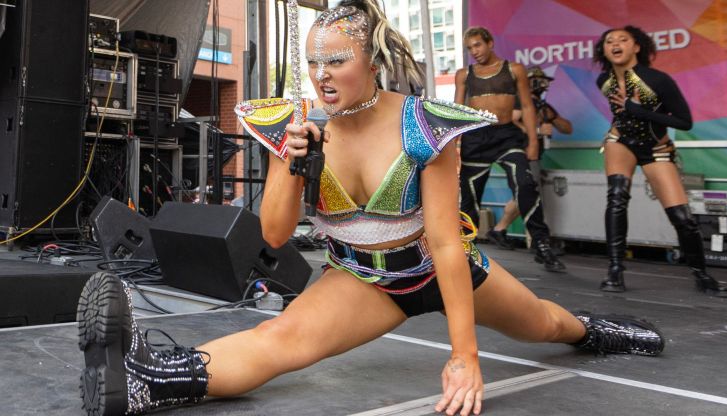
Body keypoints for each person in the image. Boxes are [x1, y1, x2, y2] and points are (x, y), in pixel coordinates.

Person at [76, 4, 666, 416]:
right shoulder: (300, 127)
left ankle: (595, 331)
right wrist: (289, 157)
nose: (322, 75)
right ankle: (144, 380)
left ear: (373, 59)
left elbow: (443, 243)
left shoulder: (424, 125)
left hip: (440, 267)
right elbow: (277, 235)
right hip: (362, 277)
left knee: (545, 323)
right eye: (313, 62)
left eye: (336, 60)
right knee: (282, 339)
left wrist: (465, 357)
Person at [593, 25, 727, 297]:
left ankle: (702, 275)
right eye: (609, 41)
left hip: (656, 148)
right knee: (617, 196)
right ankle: (614, 271)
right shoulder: (604, 81)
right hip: (619, 141)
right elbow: (620, 115)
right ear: (604, 50)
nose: (615, 44)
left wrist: (638, 110)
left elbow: (684, 121)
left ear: (637, 46)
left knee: (682, 216)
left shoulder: (658, 80)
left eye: (623, 39)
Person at [455, 27, 565, 272]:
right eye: (470, 48)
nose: (475, 52)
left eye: (478, 45)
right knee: (469, 199)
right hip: (475, 138)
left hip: (507, 137)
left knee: (525, 185)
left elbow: (526, 106)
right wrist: (456, 145)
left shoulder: (514, 70)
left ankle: (542, 244)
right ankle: (464, 252)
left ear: (490, 43)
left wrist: (533, 142)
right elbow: (458, 111)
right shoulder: (464, 74)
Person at [487, 66, 573, 250]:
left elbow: (567, 128)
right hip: (522, 153)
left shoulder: (541, 106)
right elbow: (507, 120)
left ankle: (499, 230)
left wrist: (552, 119)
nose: (539, 85)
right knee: (528, 194)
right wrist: (536, 131)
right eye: (534, 81)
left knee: (525, 194)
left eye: (542, 81)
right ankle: (536, 239)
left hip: (534, 154)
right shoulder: (519, 101)